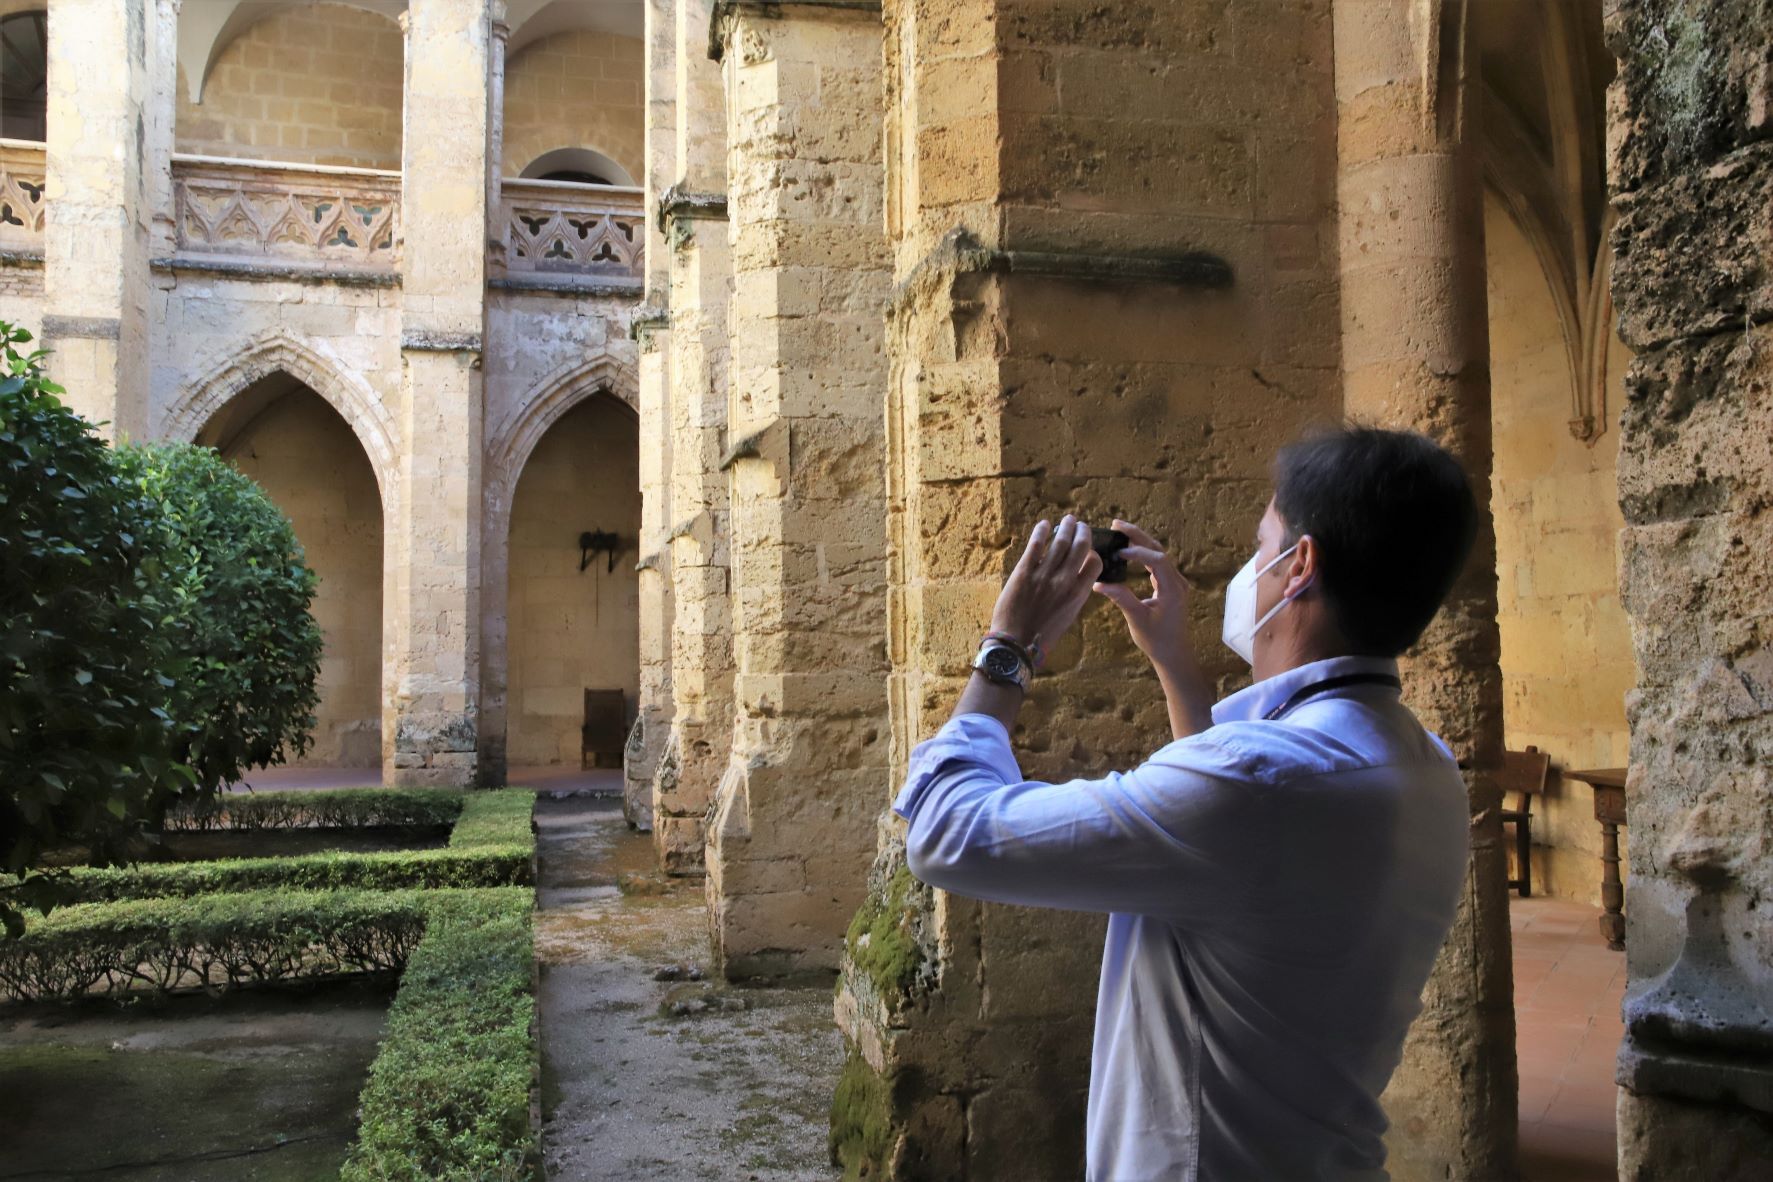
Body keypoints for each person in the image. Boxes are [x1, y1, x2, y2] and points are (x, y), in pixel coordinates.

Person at [894, 426, 1480, 1182]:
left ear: (1299, 566)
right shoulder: (1423, 764)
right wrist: (1174, 659)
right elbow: (1240, 862)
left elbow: (947, 833)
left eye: (1261, 541)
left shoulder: (1258, 783)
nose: (1249, 568)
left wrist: (1011, 644)